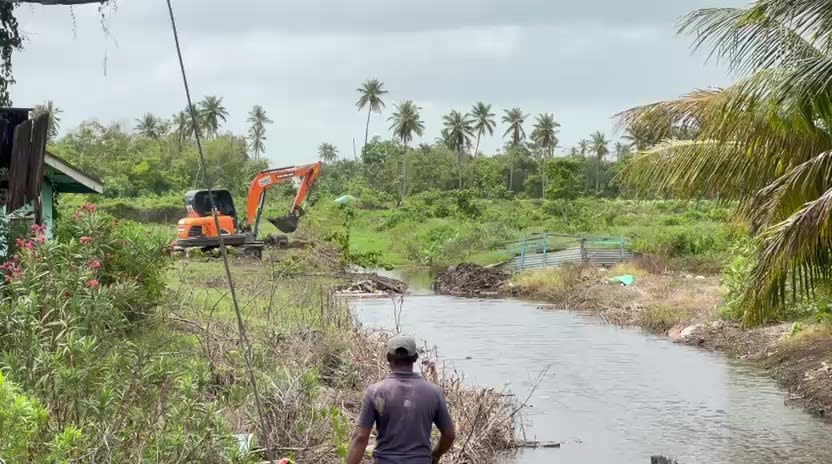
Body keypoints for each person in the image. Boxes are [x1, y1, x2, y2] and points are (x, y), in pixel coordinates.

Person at [346, 334, 456, 464]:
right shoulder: (434, 393)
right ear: (415, 358)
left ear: (388, 357)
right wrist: (436, 454)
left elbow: (360, 437)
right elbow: (449, 435)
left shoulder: (375, 392)